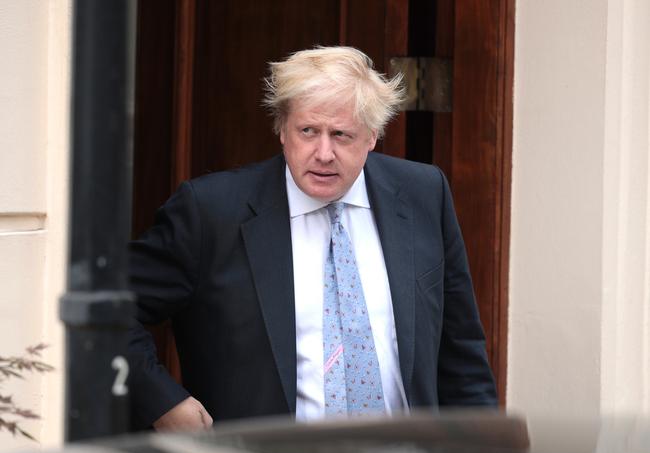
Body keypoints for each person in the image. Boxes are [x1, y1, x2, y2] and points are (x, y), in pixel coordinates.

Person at [127, 46, 497, 431]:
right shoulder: (210, 212)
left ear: (372, 136)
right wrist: (163, 402)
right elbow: (111, 308)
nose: (323, 153)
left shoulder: (423, 194)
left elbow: (461, 352)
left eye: (341, 135)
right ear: (282, 129)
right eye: (308, 131)